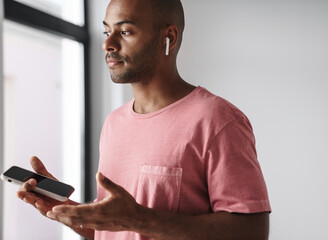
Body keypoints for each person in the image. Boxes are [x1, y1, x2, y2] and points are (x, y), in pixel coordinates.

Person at [17, 0, 271, 239]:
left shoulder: (217, 120)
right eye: (107, 32)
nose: (108, 45)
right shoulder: (114, 123)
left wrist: (139, 219)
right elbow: (115, 230)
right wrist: (69, 211)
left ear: (168, 38)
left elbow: (252, 232)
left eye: (125, 31)